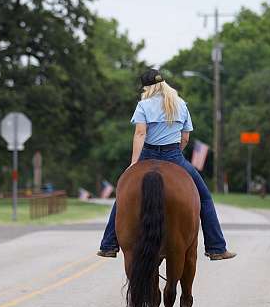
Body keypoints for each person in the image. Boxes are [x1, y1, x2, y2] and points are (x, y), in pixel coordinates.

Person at [97, 68, 237, 261]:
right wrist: (175, 150)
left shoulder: (144, 105)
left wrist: (134, 164)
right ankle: (216, 247)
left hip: (147, 155)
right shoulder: (180, 104)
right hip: (174, 156)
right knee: (204, 197)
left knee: (123, 195)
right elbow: (186, 138)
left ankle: (109, 244)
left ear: (146, 88)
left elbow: (140, 134)